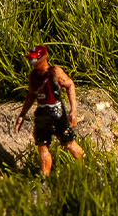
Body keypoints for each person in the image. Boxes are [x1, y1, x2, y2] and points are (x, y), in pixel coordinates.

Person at [12, 45, 85, 176]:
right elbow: (31, 95)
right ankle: (44, 178)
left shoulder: (54, 72)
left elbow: (70, 85)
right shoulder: (33, 76)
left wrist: (73, 109)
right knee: (42, 146)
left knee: (69, 142)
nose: (33, 63)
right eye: (31, 60)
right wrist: (22, 115)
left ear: (43, 58)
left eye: (35, 60)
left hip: (56, 112)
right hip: (42, 114)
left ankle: (86, 168)